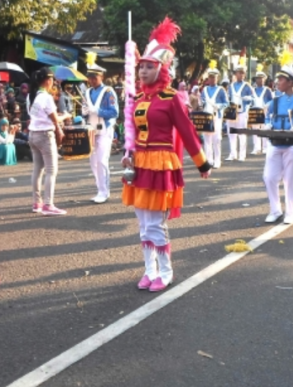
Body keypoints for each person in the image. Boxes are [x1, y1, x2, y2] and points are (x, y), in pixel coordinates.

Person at [122, 18, 212, 292]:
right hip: (139, 165)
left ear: (161, 69)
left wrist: (202, 163)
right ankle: (149, 270)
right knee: (142, 224)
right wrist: (128, 153)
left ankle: (166, 271)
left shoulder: (172, 97)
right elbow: (133, 133)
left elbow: (187, 132)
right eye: (141, 67)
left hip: (161, 164)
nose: (143, 71)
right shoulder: (137, 99)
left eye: (149, 67)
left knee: (155, 223)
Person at [263, 61, 293, 225]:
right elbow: (266, 117)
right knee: (269, 177)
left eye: (281, 79)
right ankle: (275, 210)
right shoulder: (274, 101)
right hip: (275, 143)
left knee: (290, 180)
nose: (278, 82)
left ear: (291, 82)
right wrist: (267, 125)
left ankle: (291, 212)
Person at [27, 67, 66, 215]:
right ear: (48, 81)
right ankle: (48, 204)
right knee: (51, 170)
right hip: (44, 135)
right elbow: (55, 119)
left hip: (33, 134)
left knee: (37, 169)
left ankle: (37, 202)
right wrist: (66, 116)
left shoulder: (32, 96)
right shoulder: (47, 97)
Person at [82, 53, 119, 204]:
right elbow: (85, 110)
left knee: (102, 160)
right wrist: (84, 112)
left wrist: (99, 112)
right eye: (90, 77)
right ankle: (99, 188)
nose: (91, 80)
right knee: (93, 162)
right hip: (92, 130)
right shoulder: (88, 92)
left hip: (104, 129)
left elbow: (114, 112)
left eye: (94, 77)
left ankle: (104, 191)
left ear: (101, 76)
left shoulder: (108, 91)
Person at [200, 61, 228, 169]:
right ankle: (209, 160)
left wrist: (218, 105)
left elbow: (226, 103)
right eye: (211, 77)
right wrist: (201, 105)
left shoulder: (221, 90)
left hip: (217, 116)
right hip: (207, 116)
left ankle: (217, 160)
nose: (212, 79)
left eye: (214, 77)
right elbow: (202, 101)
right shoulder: (205, 89)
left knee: (216, 139)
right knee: (206, 139)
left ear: (218, 78)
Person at [226, 59, 253, 162]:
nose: (241, 75)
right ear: (235, 74)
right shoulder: (231, 86)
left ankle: (242, 155)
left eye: (242, 73)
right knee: (231, 134)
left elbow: (252, 98)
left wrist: (248, 99)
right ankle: (232, 154)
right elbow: (228, 97)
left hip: (242, 112)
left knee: (241, 134)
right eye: (239, 73)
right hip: (232, 112)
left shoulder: (247, 86)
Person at [251, 65, 274, 155]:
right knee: (255, 130)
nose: (260, 80)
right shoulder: (253, 90)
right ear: (255, 80)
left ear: (264, 80)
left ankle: (265, 147)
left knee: (264, 129)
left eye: (261, 78)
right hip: (255, 111)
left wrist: (267, 105)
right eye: (258, 78)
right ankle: (256, 147)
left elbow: (272, 101)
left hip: (264, 111)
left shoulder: (267, 90)